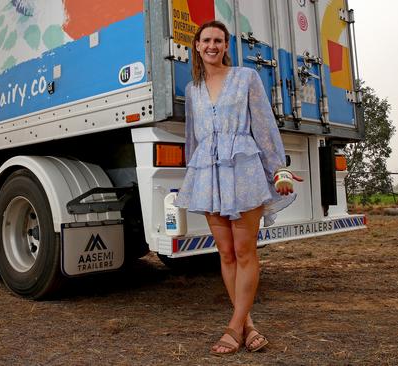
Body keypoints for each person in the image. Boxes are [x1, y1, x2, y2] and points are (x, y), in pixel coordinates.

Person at [173, 20, 302, 356]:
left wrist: (278, 168)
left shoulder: (246, 78)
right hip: (210, 174)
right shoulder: (192, 89)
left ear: (226, 45)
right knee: (226, 254)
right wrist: (194, 174)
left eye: (219, 40)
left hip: (243, 171)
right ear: (197, 46)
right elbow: (193, 137)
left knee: (246, 253)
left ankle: (233, 327)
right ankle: (248, 325)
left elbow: (263, 123)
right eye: (206, 41)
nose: (212, 46)